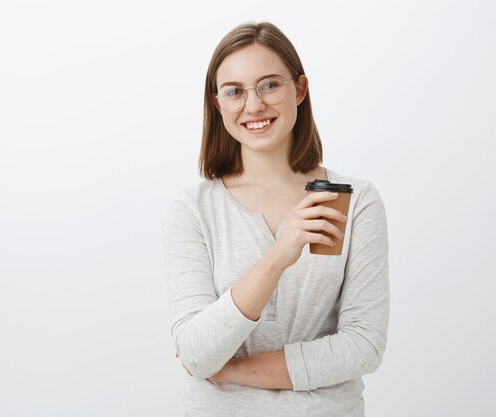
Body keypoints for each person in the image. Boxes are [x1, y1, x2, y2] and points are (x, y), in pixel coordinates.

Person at [162, 21, 389, 417]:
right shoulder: (192, 210)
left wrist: (232, 371)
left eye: (269, 85)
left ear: (299, 90)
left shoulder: (354, 201)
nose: (253, 106)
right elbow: (197, 352)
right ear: (219, 105)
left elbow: (362, 347)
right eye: (235, 91)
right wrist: (279, 254)